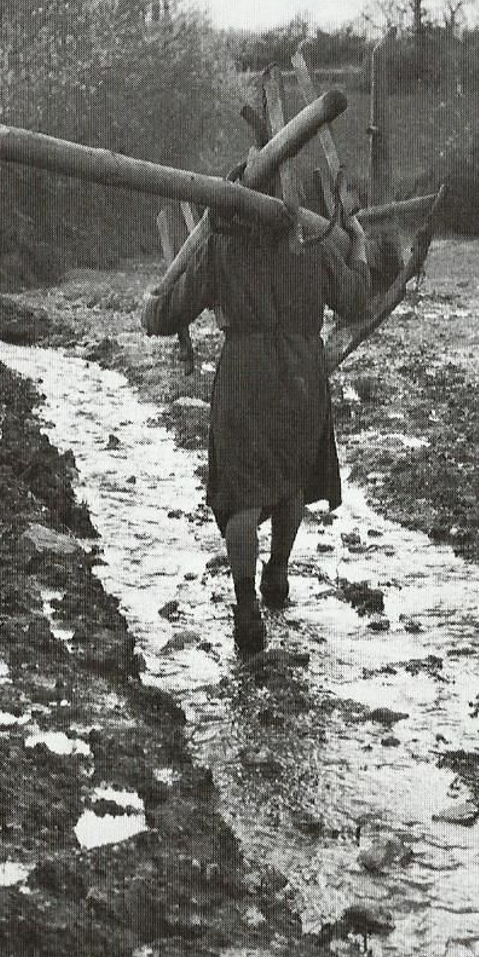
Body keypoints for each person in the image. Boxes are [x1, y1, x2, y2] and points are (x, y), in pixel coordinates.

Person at [142, 200, 374, 654]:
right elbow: (355, 300)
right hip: (302, 375)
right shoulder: (313, 244)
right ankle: (278, 574)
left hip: (246, 376)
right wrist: (359, 244)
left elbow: (171, 313)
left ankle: (247, 607)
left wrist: (150, 309)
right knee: (291, 481)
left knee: (242, 494)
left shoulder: (222, 245)